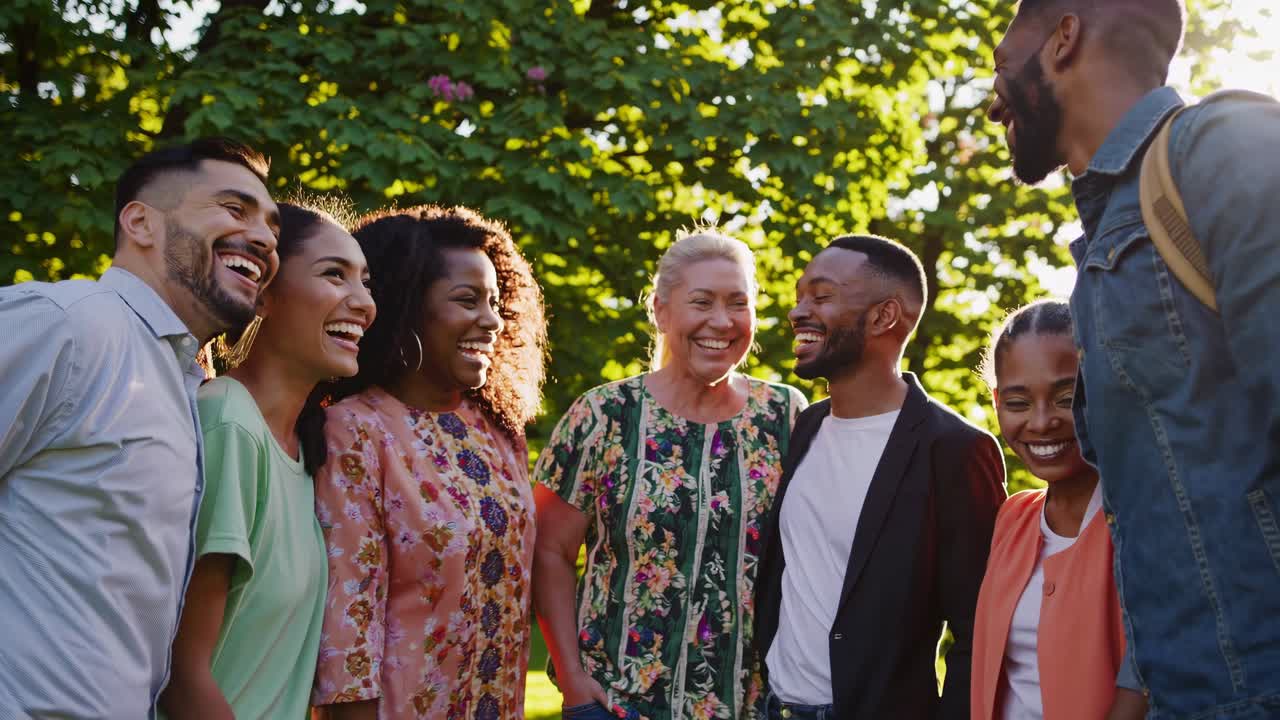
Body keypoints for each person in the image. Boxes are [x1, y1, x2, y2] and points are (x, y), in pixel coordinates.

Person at [987, 1, 1280, 715]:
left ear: (1064, 38)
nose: (995, 102)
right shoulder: (1102, 255)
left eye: (1000, 64)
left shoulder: (1225, 146)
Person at [0, 138, 279, 718]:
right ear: (141, 223)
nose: (265, 238)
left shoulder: (184, 384)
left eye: (271, 225)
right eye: (234, 209)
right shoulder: (69, 326)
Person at [532, 229, 807, 720]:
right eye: (701, 302)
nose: (720, 322)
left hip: (748, 705)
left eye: (738, 304)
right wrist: (573, 681)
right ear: (660, 311)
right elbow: (549, 551)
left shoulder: (785, 415)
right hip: (615, 703)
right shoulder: (604, 414)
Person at [753, 234, 1005, 720]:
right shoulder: (804, 426)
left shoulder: (954, 449)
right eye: (799, 295)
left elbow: (980, 631)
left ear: (883, 316)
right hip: (774, 708)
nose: (798, 312)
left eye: (821, 297)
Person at [310, 205, 547, 720]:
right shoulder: (355, 430)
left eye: (495, 302)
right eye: (466, 301)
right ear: (404, 308)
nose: (491, 321)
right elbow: (347, 628)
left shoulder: (499, 432)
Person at [158, 200, 374, 720]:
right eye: (334, 275)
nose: (364, 303)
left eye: (366, 282)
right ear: (264, 296)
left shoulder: (303, 453)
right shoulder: (230, 423)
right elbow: (182, 678)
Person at [970, 300, 1145, 720]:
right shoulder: (1013, 518)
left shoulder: (1145, 520)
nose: (1042, 421)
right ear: (996, 402)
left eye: (1067, 397)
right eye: (1017, 403)